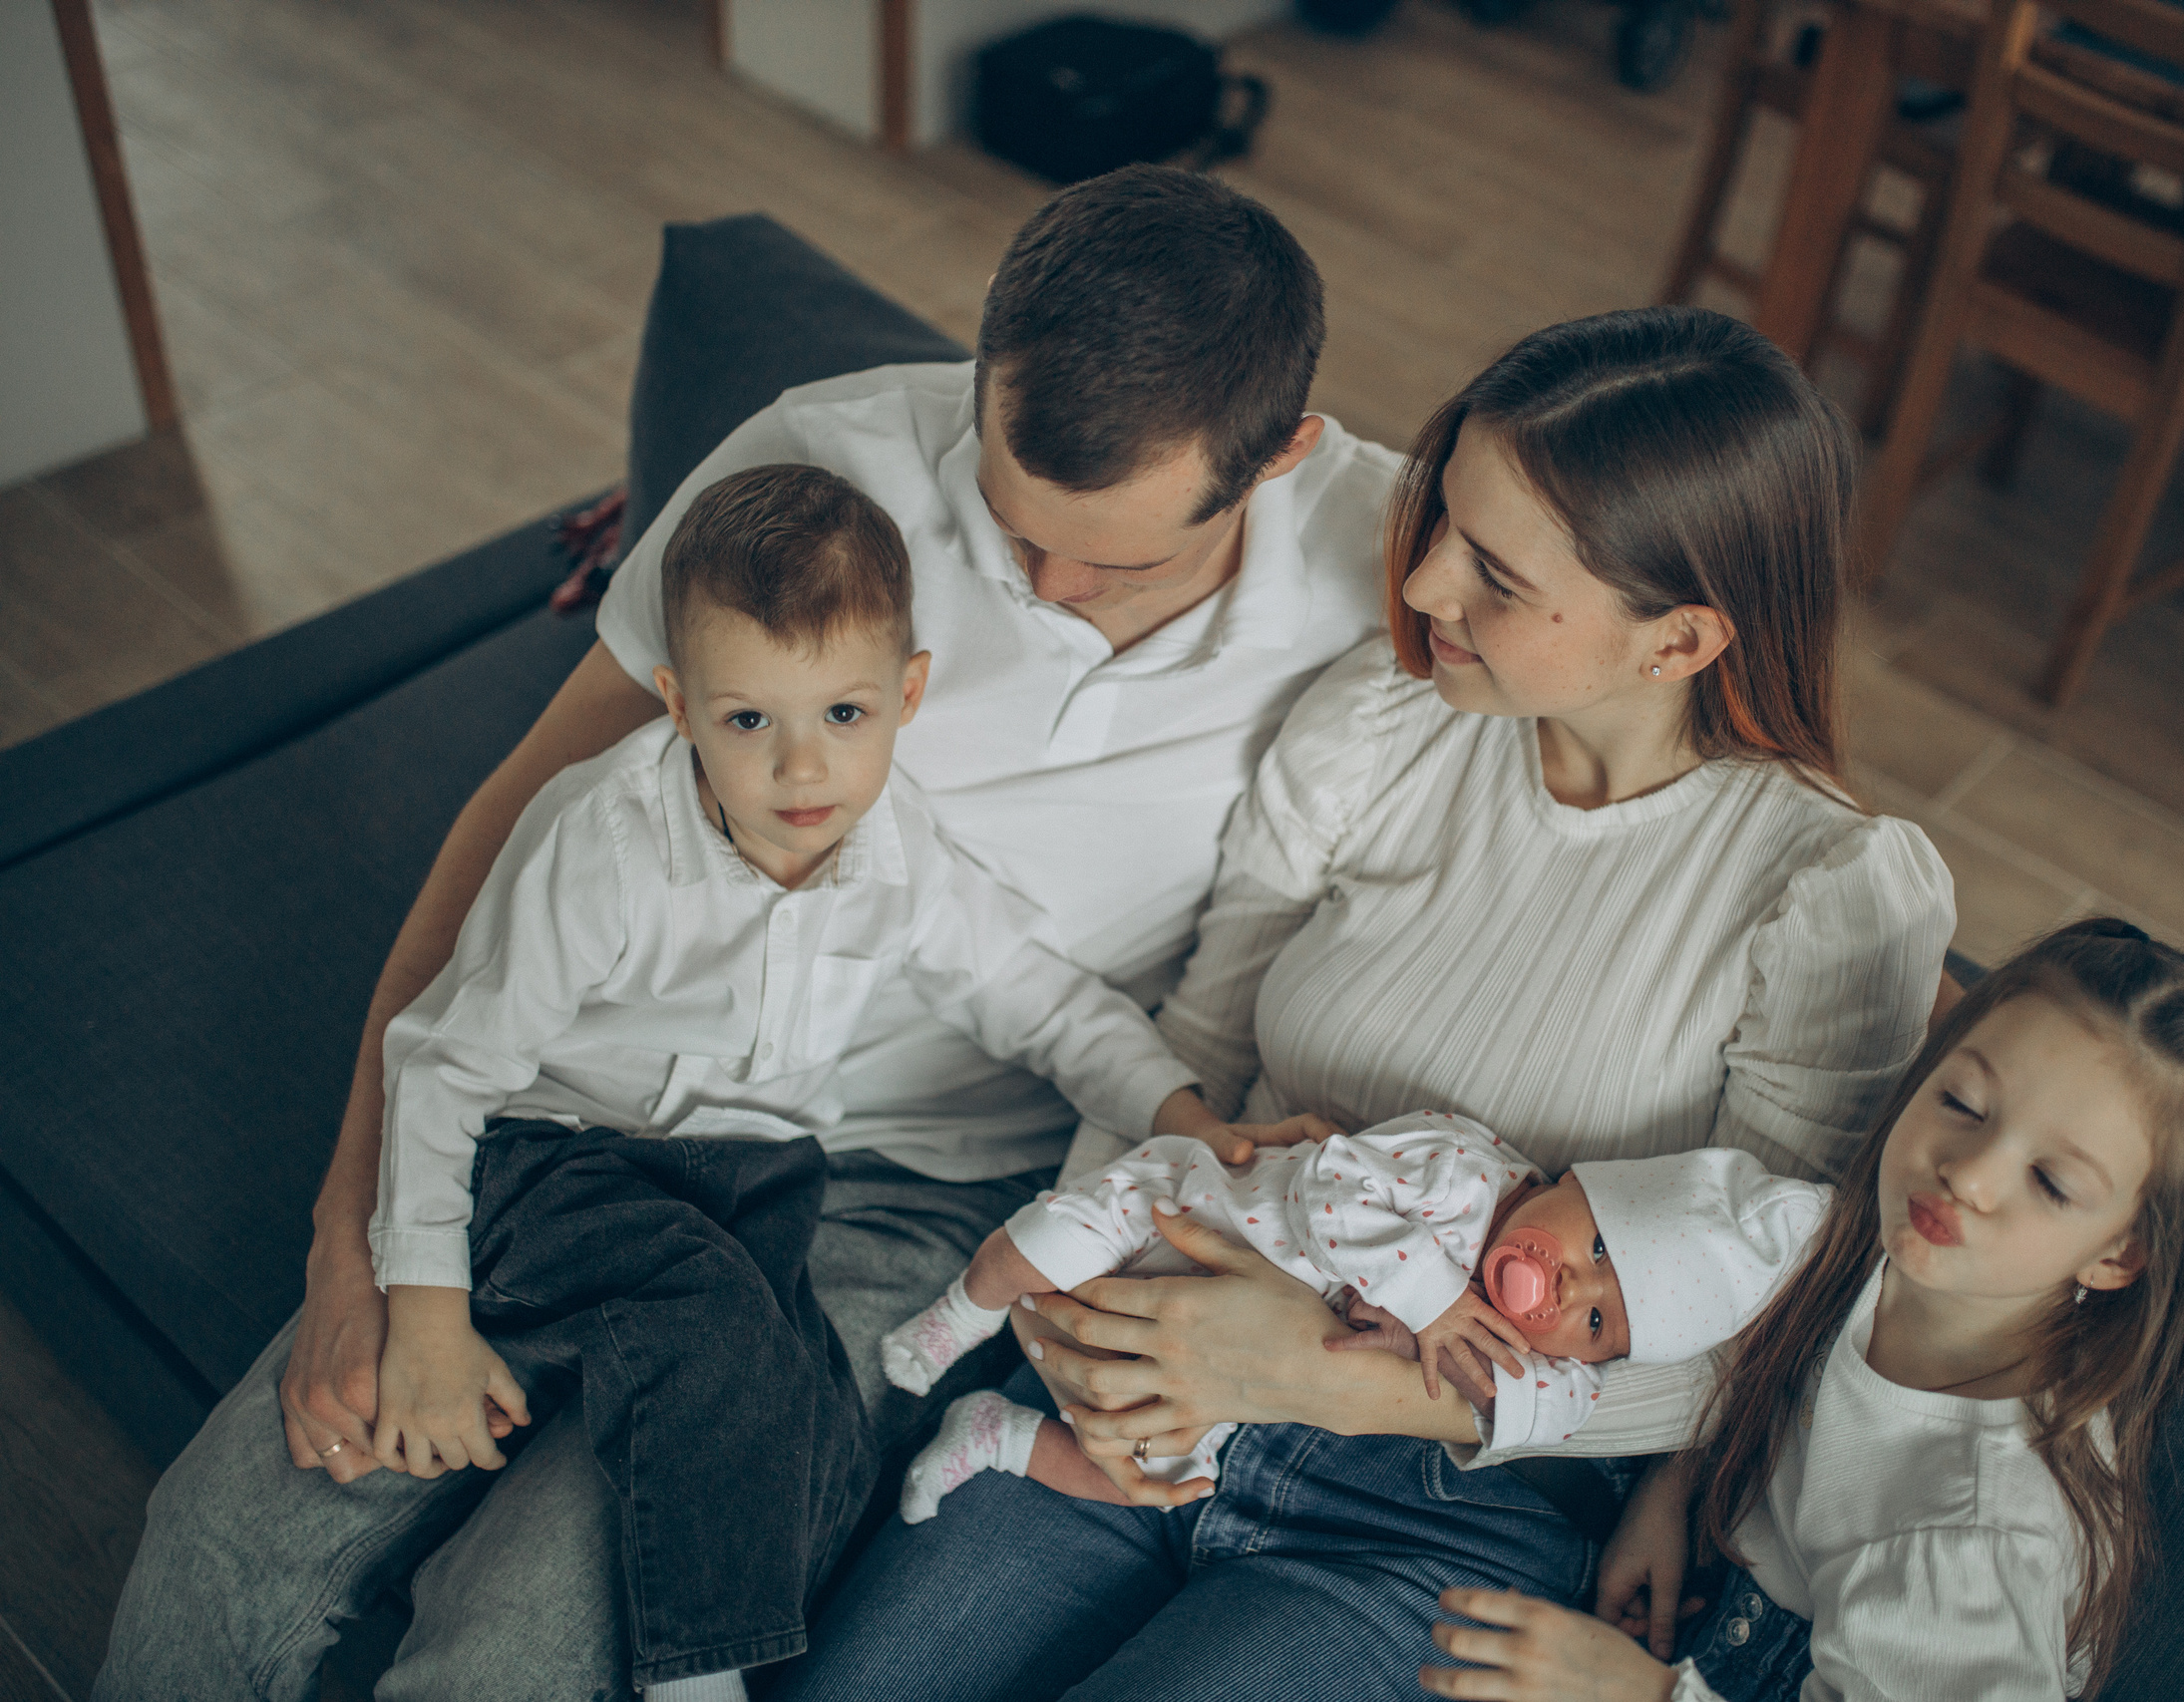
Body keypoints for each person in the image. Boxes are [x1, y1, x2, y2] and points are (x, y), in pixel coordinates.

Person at [96, 164, 1392, 1702]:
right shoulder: (819, 469)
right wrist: (353, 1237)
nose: (1046, 587)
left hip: (905, 1195)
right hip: (589, 1118)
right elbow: (525, 816)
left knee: (534, 1626)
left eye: (1117, 561)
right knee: (228, 1529)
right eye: (1008, 518)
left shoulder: (1392, 566)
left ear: (1281, 457)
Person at [776, 306, 1959, 1702]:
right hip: (1155, 1353)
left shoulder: (1829, 894)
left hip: (1442, 1506)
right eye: (1442, 517)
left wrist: (1332, 1378)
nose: (1427, 583)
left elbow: (1761, 1338)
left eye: (1496, 574)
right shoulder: (1388, 718)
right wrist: (1067, 1301)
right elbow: (1198, 1052)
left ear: (1678, 639)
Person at [367, 462, 1296, 1698]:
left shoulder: (896, 846)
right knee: (706, 1314)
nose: (803, 772)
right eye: (750, 721)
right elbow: (444, 1063)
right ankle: (696, 1680)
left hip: (755, 1182)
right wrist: (424, 1310)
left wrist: (1175, 1108)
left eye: (844, 715)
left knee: (812, 1416)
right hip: (557, 1156)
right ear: (679, 704)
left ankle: (746, 1574)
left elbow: (1033, 994)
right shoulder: (602, 845)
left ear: (906, 694)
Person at [1413, 919, 2184, 1702]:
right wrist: (1675, 1486)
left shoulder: (1973, 1536)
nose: (1967, 1174)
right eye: (1962, 1103)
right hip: (1709, 1575)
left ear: (2118, 1254)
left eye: (2050, 1182)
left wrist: (1638, 1692)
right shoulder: (1892, 1252)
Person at [886, 1113, 1826, 1521]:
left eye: (1594, 1324)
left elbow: (1562, 1405)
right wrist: (1432, 1302)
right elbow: (1333, 1182)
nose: (1567, 1287)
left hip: (1223, 1370)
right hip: (1175, 1212)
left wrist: (1504, 1377)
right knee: (1046, 1244)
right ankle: (960, 1316)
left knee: (1160, 1474)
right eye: (1600, 1246)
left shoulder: (1517, 1338)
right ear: (1573, 1179)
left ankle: (998, 1436)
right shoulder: (1465, 1171)